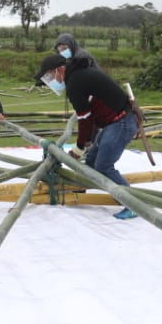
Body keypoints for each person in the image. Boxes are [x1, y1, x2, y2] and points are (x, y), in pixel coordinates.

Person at [39, 52, 138, 220]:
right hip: (112, 123)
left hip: (121, 122)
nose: (50, 82)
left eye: (49, 76)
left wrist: (79, 147)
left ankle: (134, 205)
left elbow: (84, 119)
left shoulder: (75, 82)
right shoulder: (77, 76)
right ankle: (80, 189)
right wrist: (86, 143)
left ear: (58, 71)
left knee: (104, 166)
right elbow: (89, 117)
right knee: (91, 163)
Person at [33, 33, 98, 86]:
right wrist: (45, 81)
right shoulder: (68, 57)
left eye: (64, 46)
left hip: (94, 83)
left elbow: (79, 72)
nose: (61, 49)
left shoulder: (81, 56)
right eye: (59, 46)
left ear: (71, 44)